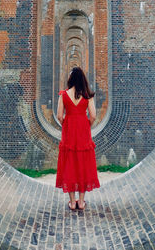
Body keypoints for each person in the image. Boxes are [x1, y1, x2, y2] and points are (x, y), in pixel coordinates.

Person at [56, 67, 100, 210]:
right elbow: (93, 115)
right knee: (83, 163)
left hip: (69, 130)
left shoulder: (63, 95)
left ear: (71, 79)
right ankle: (81, 202)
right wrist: (86, 124)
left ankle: (72, 201)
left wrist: (66, 124)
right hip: (83, 130)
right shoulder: (88, 95)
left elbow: (59, 116)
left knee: (70, 162)